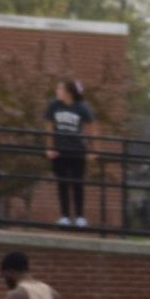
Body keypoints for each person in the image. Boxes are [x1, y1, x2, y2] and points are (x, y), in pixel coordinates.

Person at [46, 78, 94, 227]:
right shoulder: (54, 105)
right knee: (62, 183)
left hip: (77, 150)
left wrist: (92, 149)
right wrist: (50, 147)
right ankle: (65, 216)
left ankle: (80, 217)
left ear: (68, 92)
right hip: (60, 151)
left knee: (77, 183)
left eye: (60, 89)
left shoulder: (81, 107)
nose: (57, 91)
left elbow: (92, 127)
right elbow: (49, 127)